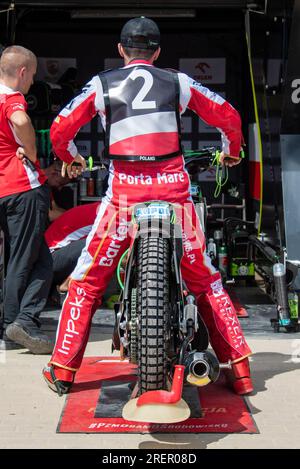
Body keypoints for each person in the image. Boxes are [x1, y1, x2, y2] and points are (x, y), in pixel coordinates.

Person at [43, 17, 253, 396]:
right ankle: (239, 370)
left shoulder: (102, 84)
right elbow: (230, 117)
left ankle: (62, 370)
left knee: (87, 282)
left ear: (121, 50)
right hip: (174, 193)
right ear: (157, 53)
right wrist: (230, 152)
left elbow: (60, 128)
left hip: (123, 197)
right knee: (205, 282)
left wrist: (71, 157)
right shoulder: (177, 81)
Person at [0, 46, 53, 353]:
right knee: (28, 259)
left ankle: (17, 322)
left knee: (37, 259)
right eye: (32, 75)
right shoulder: (12, 97)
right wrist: (32, 152)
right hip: (20, 186)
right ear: (22, 72)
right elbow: (20, 120)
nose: (32, 82)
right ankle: (18, 324)